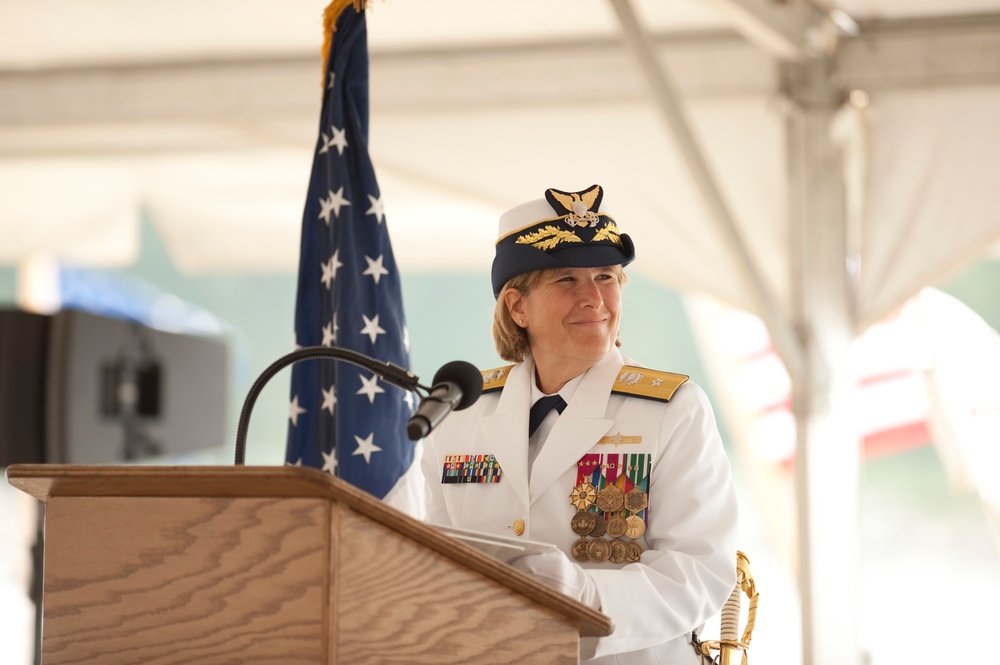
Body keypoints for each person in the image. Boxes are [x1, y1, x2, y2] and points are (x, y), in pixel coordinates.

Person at [421, 184, 738, 663]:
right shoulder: (461, 411)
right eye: (567, 279)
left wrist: (581, 602)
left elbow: (698, 571)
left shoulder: (674, 409)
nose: (594, 298)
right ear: (517, 306)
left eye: (606, 277)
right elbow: (430, 556)